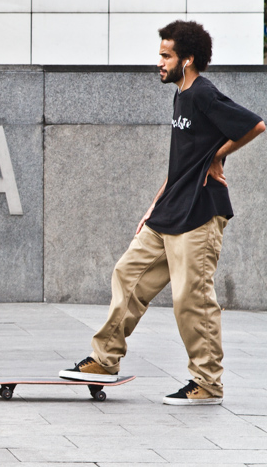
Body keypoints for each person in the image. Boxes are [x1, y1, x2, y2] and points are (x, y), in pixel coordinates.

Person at [60, 20, 265, 406]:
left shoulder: (203, 93)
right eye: (160, 54)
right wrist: (154, 205)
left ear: (187, 61)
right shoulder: (181, 97)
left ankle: (207, 383)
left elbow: (255, 124)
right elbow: (181, 163)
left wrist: (217, 156)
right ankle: (105, 360)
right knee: (128, 273)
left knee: (191, 298)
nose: (159, 62)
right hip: (171, 208)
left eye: (165, 55)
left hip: (200, 212)